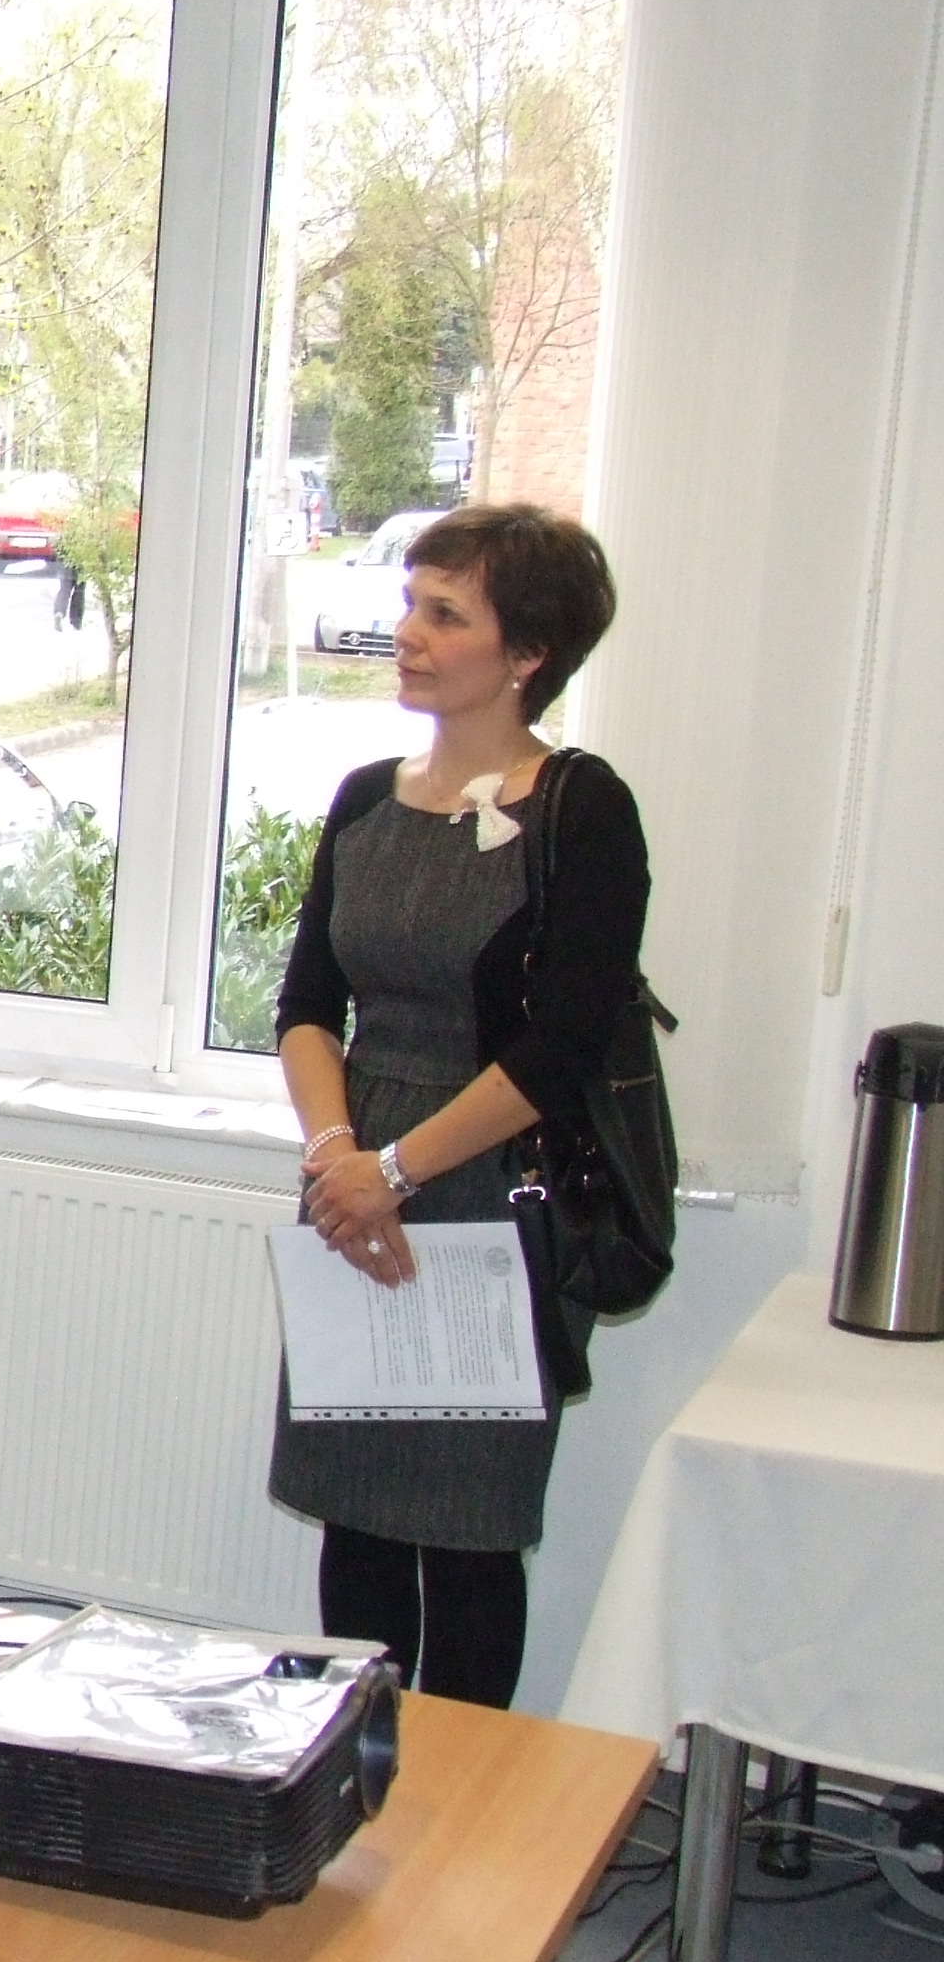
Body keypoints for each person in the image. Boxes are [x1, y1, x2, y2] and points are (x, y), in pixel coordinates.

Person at [270, 504, 647, 1709]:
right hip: (348, 1186)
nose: (407, 633)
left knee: (470, 1535)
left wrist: (393, 1171)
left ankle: (466, 1807)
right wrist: (338, 1158)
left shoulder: (581, 810)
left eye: (444, 614)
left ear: (526, 651)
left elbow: (560, 1048)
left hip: (489, 1190)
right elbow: (305, 1006)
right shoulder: (362, 800)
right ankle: (351, 1780)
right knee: (357, 1519)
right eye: (409, 605)